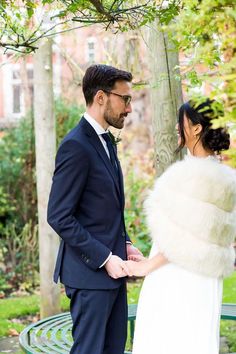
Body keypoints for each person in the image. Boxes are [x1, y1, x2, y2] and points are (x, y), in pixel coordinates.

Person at [125, 99, 236, 354]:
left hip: (178, 277)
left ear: (196, 128)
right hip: (203, 278)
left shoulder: (193, 176)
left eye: (182, 120)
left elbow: (181, 243)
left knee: (168, 339)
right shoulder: (223, 176)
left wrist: (144, 267)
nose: (177, 127)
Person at [47, 64, 142, 354]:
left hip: (114, 276)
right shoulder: (75, 146)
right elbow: (59, 215)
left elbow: (105, 208)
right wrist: (105, 258)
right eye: (124, 99)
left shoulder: (106, 143)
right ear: (101, 97)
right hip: (90, 277)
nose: (129, 108)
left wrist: (123, 244)